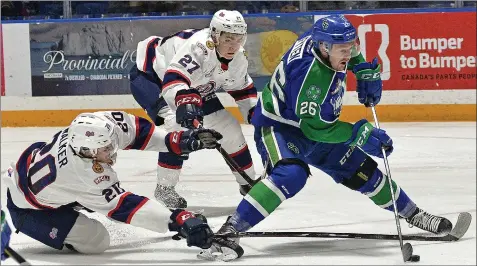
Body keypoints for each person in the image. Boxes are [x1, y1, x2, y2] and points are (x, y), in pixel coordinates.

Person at [199, 15, 454, 261]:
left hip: (318, 123)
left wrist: (361, 68)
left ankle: (414, 213)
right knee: (290, 175)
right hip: (280, 127)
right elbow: (315, 130)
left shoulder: (325, 38)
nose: (348, 53)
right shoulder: (310, 77)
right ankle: (229, 231)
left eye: (350, 46)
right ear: (323, 46)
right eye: (341, 50)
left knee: (362, 171)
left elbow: (349, 49)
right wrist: (358, 134)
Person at [2, 110, 233, 254]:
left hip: (42, 181)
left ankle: (73, 201)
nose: (112, 150)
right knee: (97, 241)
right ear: (87, 152)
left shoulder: (99, 126)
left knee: (93, 199)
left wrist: (178, 140)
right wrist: (177, 220)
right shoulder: (83, 173)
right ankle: (61, 223)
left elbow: (135, 131)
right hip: (30, 210)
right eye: (105, 149)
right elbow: (124, 206)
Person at [130, 9, 259, 209]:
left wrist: (256, 116)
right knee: (176, 126)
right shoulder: (199, 47)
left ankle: (248, 183)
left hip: (193, 85)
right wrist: (187, 109)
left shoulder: (239, 57)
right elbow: (174, 80)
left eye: (239, 39)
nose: (234, 45)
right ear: (215, 35)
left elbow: (242, 90)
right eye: (228, 39)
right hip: (152, 77)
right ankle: (165, 189)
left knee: (229, 128)